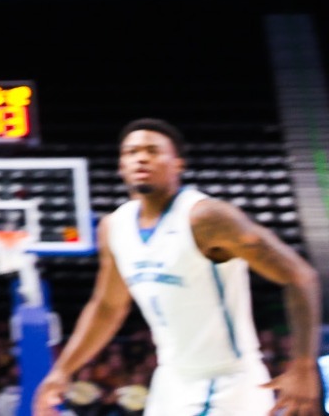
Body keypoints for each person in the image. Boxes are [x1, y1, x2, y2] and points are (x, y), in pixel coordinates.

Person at [34, 120, 322, 416]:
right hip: (170, 382)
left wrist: (303, 364)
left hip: (228, 383)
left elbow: (299, 276)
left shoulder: (207, 218)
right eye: (132, 152)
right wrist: (62, 370)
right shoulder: (114, 226)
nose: (141, 158)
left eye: (152, 151)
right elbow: (108, 306)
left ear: (178, 164)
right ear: (121, 166)